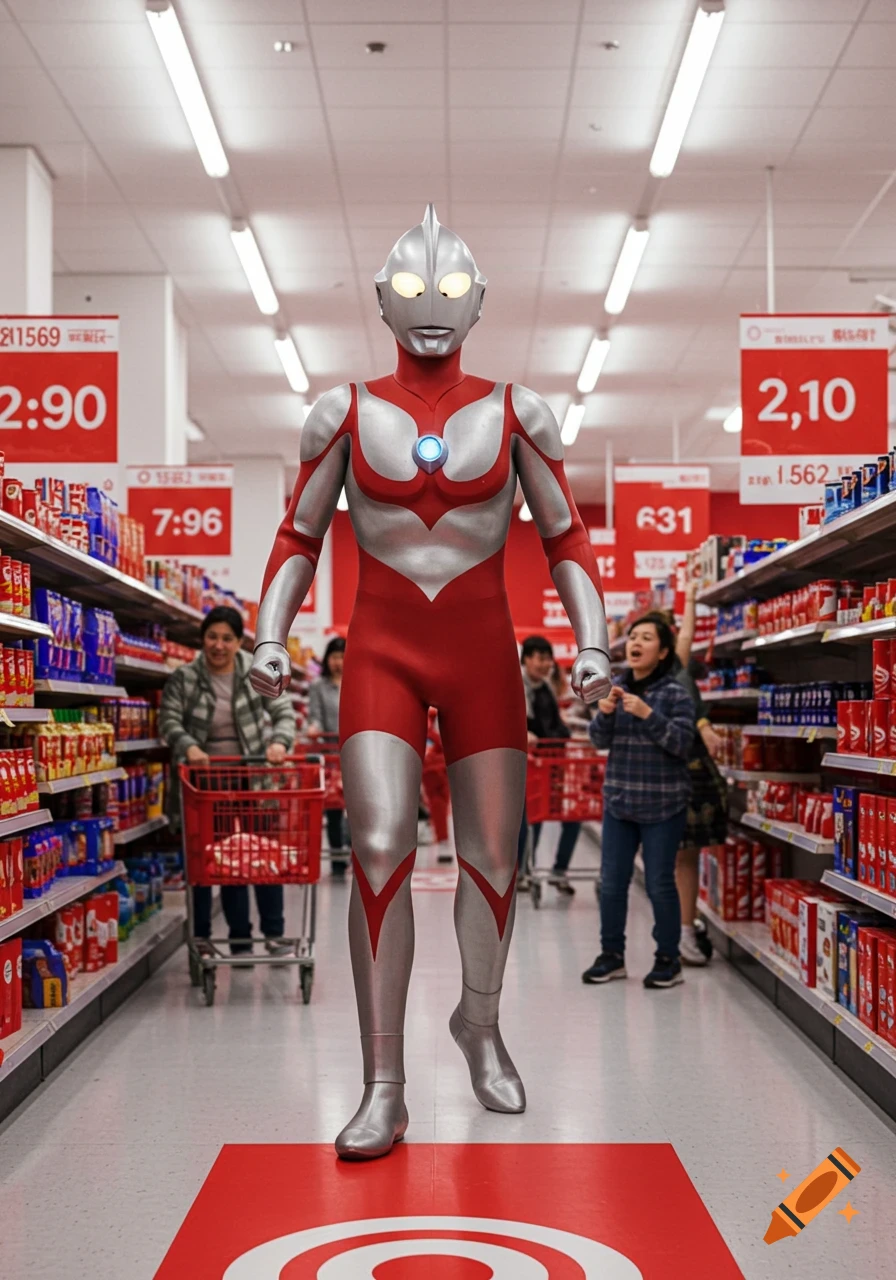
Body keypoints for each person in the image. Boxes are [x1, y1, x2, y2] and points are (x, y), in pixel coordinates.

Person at [249, 205, 612, 1160]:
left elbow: (566, 535)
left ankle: (480, 1026)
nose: (432, 306)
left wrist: (595, 641)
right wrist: (268, 633)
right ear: (381, 300)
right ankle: (384, 1086)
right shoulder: (340, 412)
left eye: (451, 289)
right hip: (382, 652)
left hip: (484, 652)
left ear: (481, 300)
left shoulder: (519, 411)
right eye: (411, 289)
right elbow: (299, 533)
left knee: (493, 854)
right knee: (378, 848)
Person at [160, 605, 297, 961]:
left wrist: (279, 742)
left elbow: (284, 712)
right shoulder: (185, 678)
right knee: (220, 859)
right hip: (206, 782)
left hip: (252, 778)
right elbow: (168, 721)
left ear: (239, 642)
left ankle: (274, 933)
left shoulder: (256, 672)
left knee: (260, 855)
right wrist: (189, 746)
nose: (218, 645)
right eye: (212, 637)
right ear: (202, 638)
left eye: (227, 638)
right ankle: (236, 939)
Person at [582, 613, 694, 989]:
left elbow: (682, 744)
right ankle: (611, 955)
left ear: (662, 652)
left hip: (664, 805)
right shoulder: (613, 689)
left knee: (659, 883)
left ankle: (668, 959)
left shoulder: (675, 694)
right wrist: (603, 714)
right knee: (613, 882)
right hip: (620, 801)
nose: (636, 643)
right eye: (633, 637)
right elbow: (598, 740)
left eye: (646, 638)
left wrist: (648, 715)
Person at [673, 582, 724, 964]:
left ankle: (684, 931)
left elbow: (687, 636)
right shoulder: (646, 682)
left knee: (684, 858)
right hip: (671, 776)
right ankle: (680, 932)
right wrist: (703, 724)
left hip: (690, 774)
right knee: (678, 861)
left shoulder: (672, 673)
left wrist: (690, 598)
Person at [517, 635, 582, 896]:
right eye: (540, 658)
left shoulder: (545, 688)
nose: (546, 665)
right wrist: (522, 734)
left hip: (552, 763)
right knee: (529, 819)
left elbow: (555, 724)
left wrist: (566, 734)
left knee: (572, 816)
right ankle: (522, 872)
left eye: (548, 659)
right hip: (527, 766)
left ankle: (559, 870)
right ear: (527, 659)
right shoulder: (514, 687)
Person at [306, 636, 350, 876]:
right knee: (334, 807)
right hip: (331, 755)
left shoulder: (358, 683)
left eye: (342, 657)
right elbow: (315, 715)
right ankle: (337, 859)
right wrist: (314, 727)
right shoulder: (318, 686)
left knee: (359, 806)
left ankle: (356, 852)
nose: (338, 662)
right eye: (334, 657)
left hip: (355, 753)